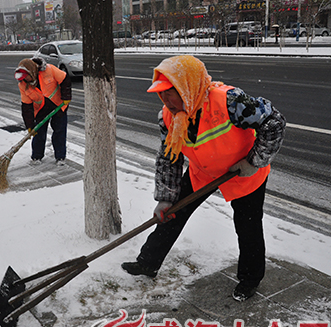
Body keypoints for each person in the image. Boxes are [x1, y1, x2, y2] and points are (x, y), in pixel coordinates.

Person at [121, 55, 286, 302]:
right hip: (204, 172)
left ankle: (250, 279)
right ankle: (148, 263)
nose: (165, 99)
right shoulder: (168, 116)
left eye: (170, 92)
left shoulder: (230, 101)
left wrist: (254, 161)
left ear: (187, 87)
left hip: (243, 172)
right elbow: (169, 157)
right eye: (161, 93)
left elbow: (274, 122)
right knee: (173, 214)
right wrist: (166, 198)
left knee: (247, 225)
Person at [15, 57, 71, 165]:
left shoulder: (50, 70)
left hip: (58, 105)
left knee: (59, 132)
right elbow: (26, 106)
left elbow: (65, 79)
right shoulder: (22, 85)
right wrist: (30, 125)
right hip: (41, 109)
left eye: (27, 77)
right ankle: (37, 157)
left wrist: (66, 96)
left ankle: (60, 157)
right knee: (39, 133)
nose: (25, 80)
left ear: (32, 72)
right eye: (23, 78)